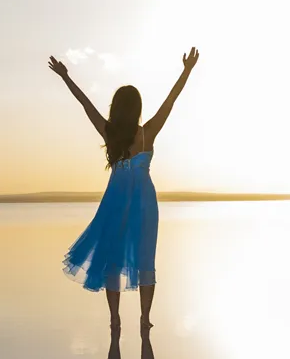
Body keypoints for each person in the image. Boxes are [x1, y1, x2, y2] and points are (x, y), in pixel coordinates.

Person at [49, 47, 199, 329]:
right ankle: (145, 319)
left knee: (113, 260)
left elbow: (85, 104)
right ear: (137, 108)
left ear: (116, 109)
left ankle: (115, 319)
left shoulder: (111, 133)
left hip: (116, 201)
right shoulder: (148, 132)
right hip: (143, 201)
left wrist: (66, 77)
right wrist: (186, 71)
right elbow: (171, 100)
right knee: (145, 259)